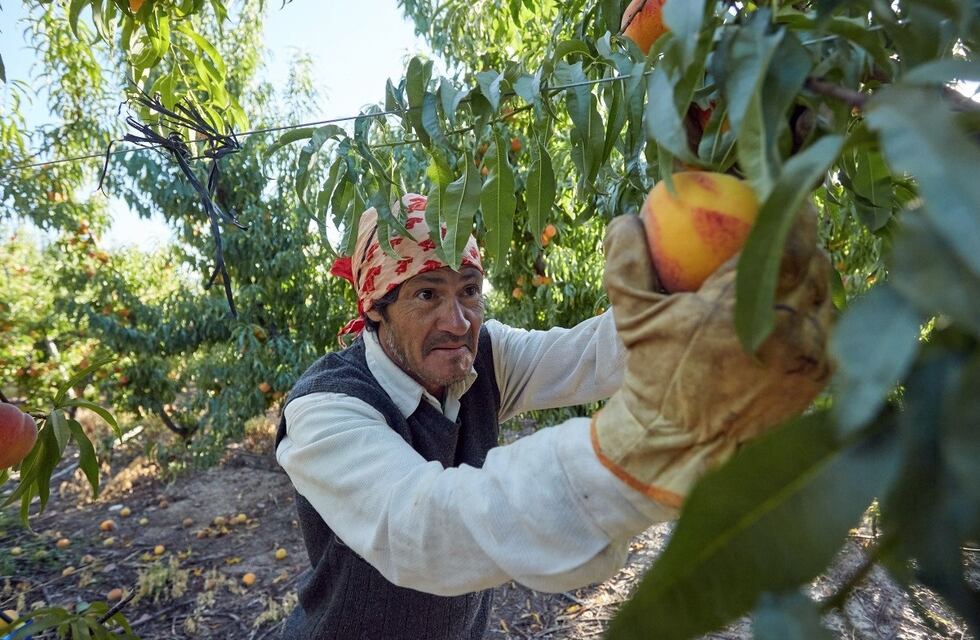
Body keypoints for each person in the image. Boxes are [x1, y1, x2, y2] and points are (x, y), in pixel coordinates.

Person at [275, 192, 833, 639]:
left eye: (469, 291)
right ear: (375, 307)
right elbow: (425, 531)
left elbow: (588, 354)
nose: (457, 320)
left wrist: (701, 305)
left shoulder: (481, 358)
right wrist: (634, 448)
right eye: (426, 294)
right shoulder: (326, 410)